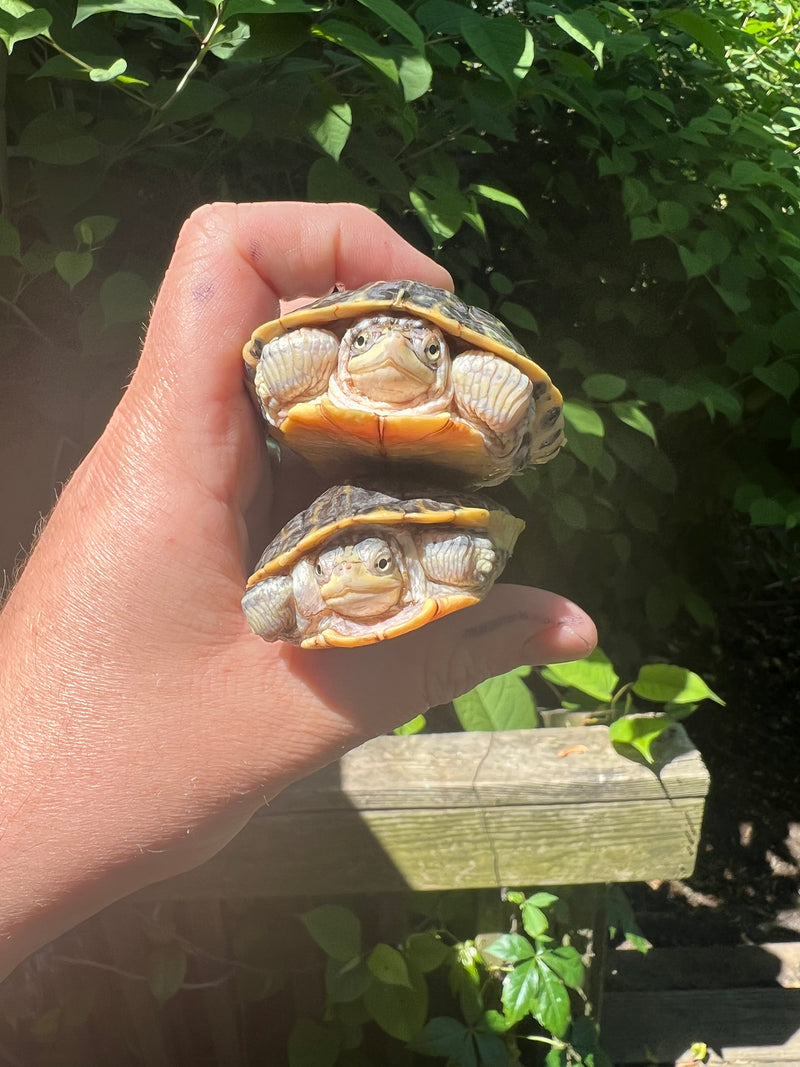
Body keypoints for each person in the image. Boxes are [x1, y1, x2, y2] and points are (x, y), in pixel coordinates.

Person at [0, 202, 596, 981]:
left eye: (420, 344)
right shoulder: (319, 412)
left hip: (442, 456)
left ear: (444, 352)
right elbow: (267, 602)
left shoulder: (463, 375)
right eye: (360, 339)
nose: (389, 349)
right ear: (340, 347)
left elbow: (504, 400)